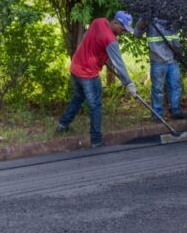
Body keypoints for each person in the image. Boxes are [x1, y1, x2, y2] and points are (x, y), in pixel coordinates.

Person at [56, 11, 138, 148]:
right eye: (123, 28)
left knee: (78, 98)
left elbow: (86, 37)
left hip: (76, 67)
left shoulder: (98, 21)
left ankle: (62, 125)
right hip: (87, 73)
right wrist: (129, 83)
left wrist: (96, 53)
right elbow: (119, 64)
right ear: (116, 22)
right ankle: (96, 140)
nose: (124, 31)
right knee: (95, 105)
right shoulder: (111, 40)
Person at [134, 17, 187, 120]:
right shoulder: (148, 17)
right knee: (157, 88)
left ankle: (175, 111)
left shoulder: (171, 17)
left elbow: (175, 37)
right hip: (157, 60)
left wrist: (178, 51)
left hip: (172, 59)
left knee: (175, 86)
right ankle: (157, 114)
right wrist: (142, 23)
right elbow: (137, 34)